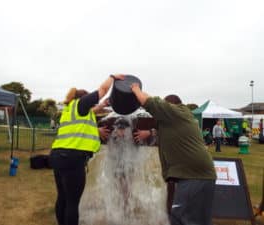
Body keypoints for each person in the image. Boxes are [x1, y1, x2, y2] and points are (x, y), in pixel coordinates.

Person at [130, 84, 217, 225]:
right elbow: (166, 130)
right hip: (200, 176)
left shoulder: (176, 112)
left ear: (170, 107)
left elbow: (151, 102)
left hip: (194, 177)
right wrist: (150, 132)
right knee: (196, 220)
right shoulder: (180, 118)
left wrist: (135, 89)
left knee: (179, 219)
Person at [49, 74, 124, 225]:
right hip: (72, 158)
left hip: (57, 156)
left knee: (62, 197)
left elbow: (88, 117)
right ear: (84, 99)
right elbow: (102, 90)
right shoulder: (80, 104)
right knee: (72, 202)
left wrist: (102, 105)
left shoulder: (69, 110)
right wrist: (113, 78)